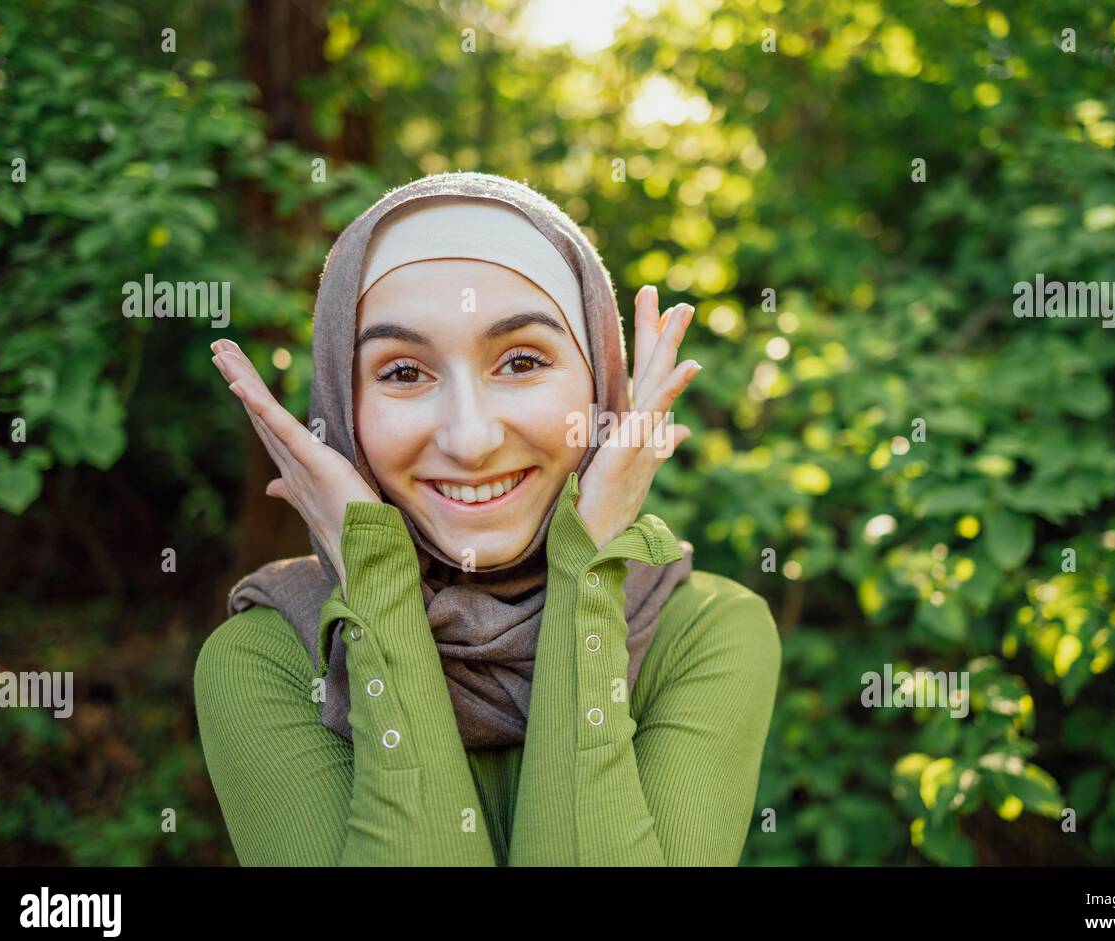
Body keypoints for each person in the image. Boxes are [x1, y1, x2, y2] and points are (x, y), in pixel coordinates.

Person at [193, 171, 781, 865]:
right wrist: (375, 586)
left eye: (522, 361)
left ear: (601, 385)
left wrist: (586, 564)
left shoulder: (705, 634)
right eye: (404, 373)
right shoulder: (270, 660)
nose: (469, 440)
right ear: (343, 406)